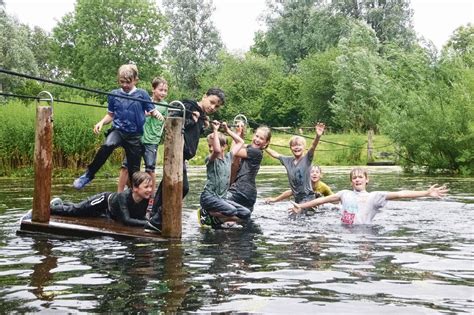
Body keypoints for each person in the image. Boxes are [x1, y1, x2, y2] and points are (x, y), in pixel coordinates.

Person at [145, 88, 226, 233]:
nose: (213, 107)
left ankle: (152, 217)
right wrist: (191, 120)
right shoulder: (187, 105)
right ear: (204, 96)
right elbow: (172, 121)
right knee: (183, 187)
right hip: (175, 153)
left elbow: (191, 133)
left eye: (217, 106)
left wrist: (204, 126)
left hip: (183, 155)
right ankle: (158, 220)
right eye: (212, 102)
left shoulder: (201, 116)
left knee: (166, 186)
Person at [73, 64, 162, 190]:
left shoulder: (142, 94)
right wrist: (101, 122)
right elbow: (110, 115)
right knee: (108, 145)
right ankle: (89, 174)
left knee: (134, 173)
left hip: (135, 136)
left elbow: (151, 110)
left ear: (136, 80)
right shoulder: (114, 94)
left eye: (128, 82)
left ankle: (134, 199)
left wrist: (155, 112)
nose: (125, 85)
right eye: (122, 82)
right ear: (118, 80)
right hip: (118, 130)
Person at [289, 167, 449, 225]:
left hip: (365, 232)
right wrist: (300, 206)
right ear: (351, 182)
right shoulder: (344, 194)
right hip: (345, 232)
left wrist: (426, 193)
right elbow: (322, 200)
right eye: (354, 177)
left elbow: (401, 194)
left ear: (367, 180)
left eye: (360, 177)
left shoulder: (375, 196)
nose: (357, 179)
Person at [117, 77, 169, 195]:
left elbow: (166, 121)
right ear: (153, 89)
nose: (163, 93)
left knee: (150, 168)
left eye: (165, 91)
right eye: (161, 90)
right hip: (137, 138)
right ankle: (119, 194)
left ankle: (151, 196)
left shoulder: (165, 106)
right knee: (126, 166)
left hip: (152, 141)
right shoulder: (145, 101)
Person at [50, 171, 153, 227]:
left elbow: (140, 216)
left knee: (85, 213)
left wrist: (151, 223)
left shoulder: (145, 198)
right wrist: (148, 223)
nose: (150, 190)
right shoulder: (123, 197)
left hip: (110, 211)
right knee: (76, 210)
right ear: (135, 188)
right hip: (103, 201)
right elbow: (126, 220)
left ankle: (62, 204)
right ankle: (48, 208)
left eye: (151, 187)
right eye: (146, 187)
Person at [198, 120, 248, 229]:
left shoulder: (228, 157)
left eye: (212, 145)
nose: (210, 148)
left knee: (246, 213)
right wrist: (215, 130)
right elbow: (216, 151)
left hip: (221, 198)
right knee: (232, 210)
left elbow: (240, 142)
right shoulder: (211, 159)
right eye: (209, 146)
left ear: (224, 147)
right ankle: (206, 213)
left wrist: (227, 130)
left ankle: (216, 219)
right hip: (208, 197)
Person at [265, 123, 326, 209]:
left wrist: (318, 136)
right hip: (298, 199)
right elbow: (275, 154)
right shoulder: (287, 161)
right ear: (290, 148)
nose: (296, 147)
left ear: (304, 147)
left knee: (295, 217)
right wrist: (265, 147)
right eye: (293, 145)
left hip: (308, 198)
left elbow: (313, 147)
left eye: (299, 145)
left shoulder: (307, 159)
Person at [224, 125, 272, 215]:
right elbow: (240, 144)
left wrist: (235, 133)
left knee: (217, 201)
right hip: (246, 193)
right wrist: (241, 133)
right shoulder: (250, 148)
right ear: (253, 135)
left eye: (261, 138)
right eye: (256, 136)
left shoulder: (256, 152)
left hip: (242, 191)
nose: (257, 140)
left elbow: (233, 152)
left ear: (266, 142)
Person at [265, 165, 333, 204]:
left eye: (317, 172)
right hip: (300, 205)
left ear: (320, 175)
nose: (314, 174)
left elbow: (335, 199)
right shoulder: (302, 185)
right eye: (312, 172)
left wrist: (324, 198)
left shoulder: (324, 187)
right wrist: (275, 199)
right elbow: (290, 192)